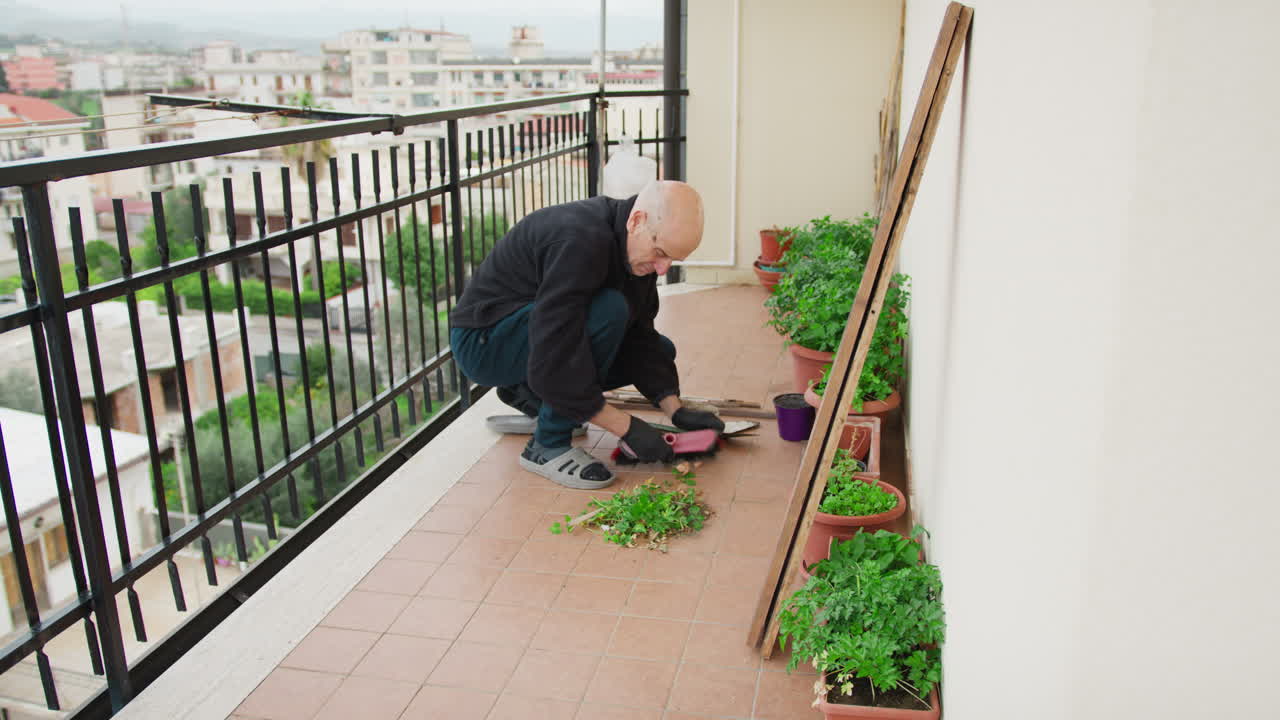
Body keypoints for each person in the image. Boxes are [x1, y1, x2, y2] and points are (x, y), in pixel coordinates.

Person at [449, 180, 724, 489]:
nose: (663, 269)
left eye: (673, 260)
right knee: (608, 311)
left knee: (660, 348)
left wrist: (674, 409)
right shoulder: (579, 239)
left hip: (532, 336)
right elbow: (557, 345)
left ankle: (530, 395)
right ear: (637, 221)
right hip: (484, 343)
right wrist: (625, 426)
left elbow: (640, 338)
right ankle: (547, 446)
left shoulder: (634, 253)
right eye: (660, 253)